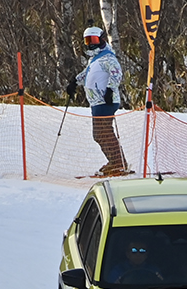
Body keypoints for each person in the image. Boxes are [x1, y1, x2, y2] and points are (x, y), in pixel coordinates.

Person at [72, 26, 128, 177]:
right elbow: (87, 74)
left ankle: (118, 163)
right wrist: (74, 82)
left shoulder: (108, 57)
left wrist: (110, 89)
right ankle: (116, 162)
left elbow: (117, 73)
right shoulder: (94, 59)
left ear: (102, 39)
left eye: (94, 40)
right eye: (87, 41)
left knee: (102, 132)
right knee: (100, 133)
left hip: (105, 101)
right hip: (96, 102)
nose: (91, 44)